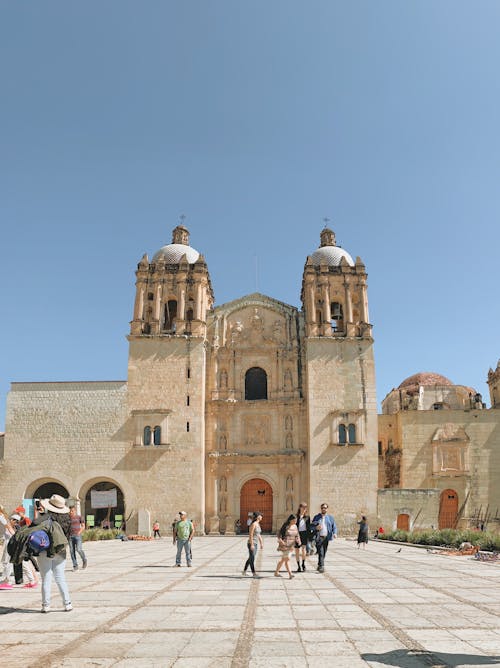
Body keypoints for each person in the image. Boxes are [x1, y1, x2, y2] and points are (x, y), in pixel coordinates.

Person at [35, 494, 73, 612]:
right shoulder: (67, 520)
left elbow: (33, 526)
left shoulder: (44, 518)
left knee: (46, 578)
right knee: (60, 578)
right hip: (60, 551)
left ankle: (46, 605)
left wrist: (38, 513)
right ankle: (67, 603)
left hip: (45, 551)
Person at [311, 503, 337, 573]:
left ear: (327, 509)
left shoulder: (330, 518)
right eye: (322, 508)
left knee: (324, 552)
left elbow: (334, 526)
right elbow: (311, 526)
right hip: (319, 537)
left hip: (327, 537)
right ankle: (322, 567)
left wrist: (334, 533)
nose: (323, 509)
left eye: (325, 508)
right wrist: (316, 527)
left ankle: (319, 565)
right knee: (321, 552)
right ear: (321, 508)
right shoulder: (316, 517)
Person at [275, 514, 300, 579]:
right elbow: (279, 534)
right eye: (294, 520)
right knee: (287, 559)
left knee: (283, 559)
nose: (295, 521)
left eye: (296, 520)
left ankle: (276, 572)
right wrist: (281, 541)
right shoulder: (286, 526)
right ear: (290, 520)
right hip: (285, 545)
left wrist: (298, 540)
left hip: (292, 546)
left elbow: (297, 535)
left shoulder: (295, 526)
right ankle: (290, 574)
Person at [242, 511, 263, 578]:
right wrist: (251, 544)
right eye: (260, 515)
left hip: (256, 543)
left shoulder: (258, 524)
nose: (261, 517)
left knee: (250, 558)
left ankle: (244, 571)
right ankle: (254, 573)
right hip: (252, 543)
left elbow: (258, 534)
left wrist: (261, 543)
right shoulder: (253, 524)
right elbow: (250, 535)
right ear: (257, 517)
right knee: (252, 558)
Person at [0, 505, 15, 589]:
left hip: (7, 540)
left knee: (6, 561)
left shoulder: (1, 517)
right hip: (6, 539)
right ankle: (6, 580)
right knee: (5, 560)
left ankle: (7, 581)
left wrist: (16, 536)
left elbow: (9, 527)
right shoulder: (3, 516)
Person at [295, 502, 311, 572]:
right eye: (303, 507)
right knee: (297, 550)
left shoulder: (307, 517)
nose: (304, 509)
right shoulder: (296, 516)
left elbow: (309, 527)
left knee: (304, 550)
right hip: (297, 534)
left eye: (305, 507)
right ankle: (298, 566)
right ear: (300, 508)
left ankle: (303, 564)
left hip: (304, 534)